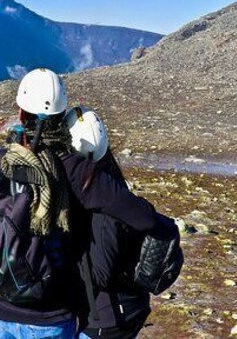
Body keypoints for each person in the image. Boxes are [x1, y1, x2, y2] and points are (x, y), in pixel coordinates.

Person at [0, 69, 161, 339]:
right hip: (53, 316)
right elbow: (143, 218)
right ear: (63, 117)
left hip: (5, 310)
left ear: (21, 113)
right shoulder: (76, 170)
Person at [64, 106, 179, 339]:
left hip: (109, 318)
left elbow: (101, 273)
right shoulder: (112, 186)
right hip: (126, 309)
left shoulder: (104, 205)